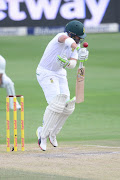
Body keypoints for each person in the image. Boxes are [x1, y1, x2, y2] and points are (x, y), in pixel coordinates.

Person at [36, 20, 89, 151]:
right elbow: (65, 40)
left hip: (60, 74)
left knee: (67, 106)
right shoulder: (61, 37)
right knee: (56, 104)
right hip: (46, 73)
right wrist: (77, 47)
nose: (79, 41)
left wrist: (67, 63)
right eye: (77, 38)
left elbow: (72, 64)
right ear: (71, 34)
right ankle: (42, 134)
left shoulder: (75, 46)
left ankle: (52, 133)